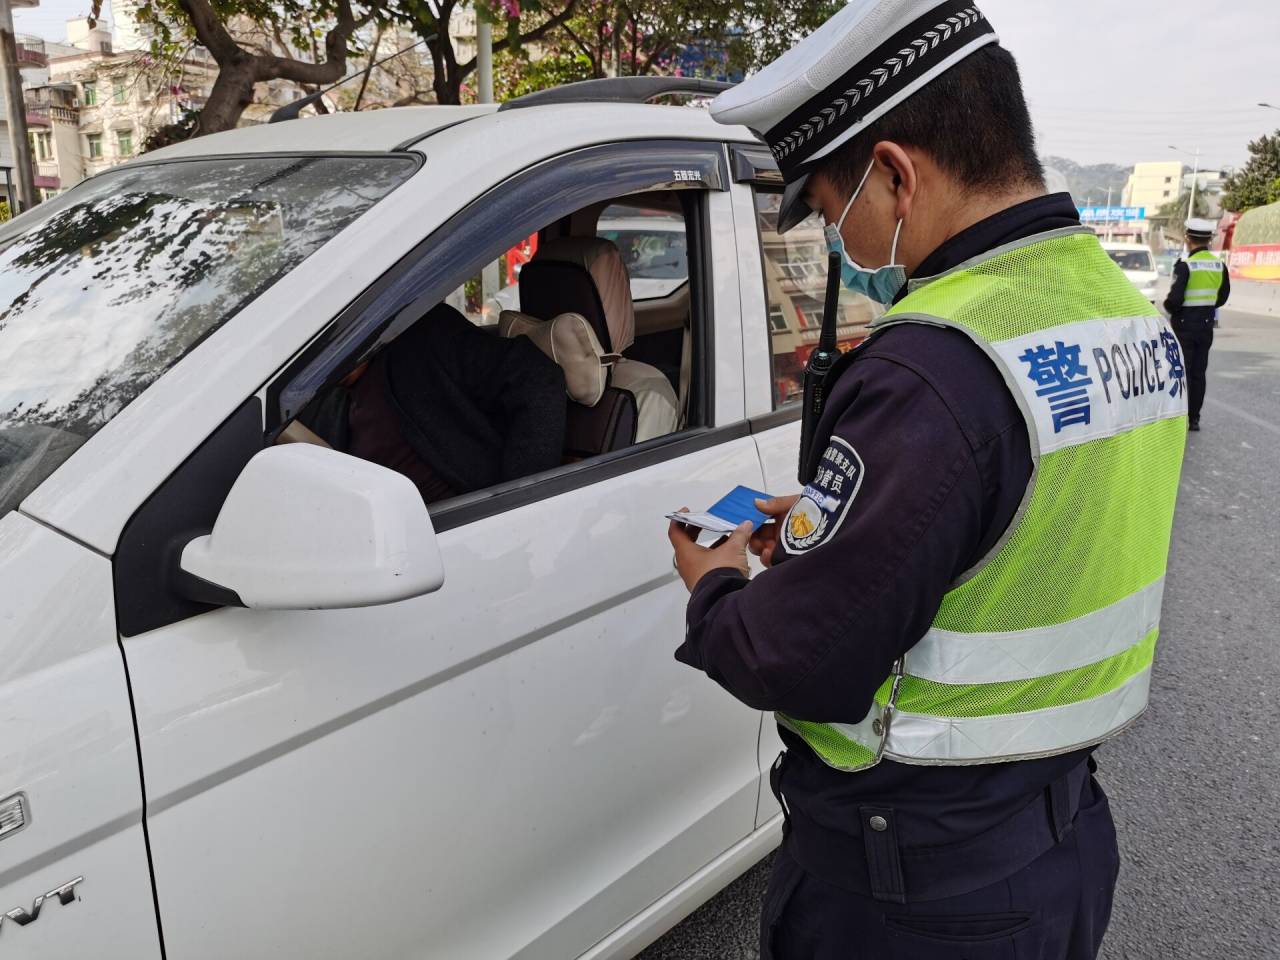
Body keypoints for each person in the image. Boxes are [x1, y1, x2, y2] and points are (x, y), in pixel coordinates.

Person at [666, 3, 1189, 958]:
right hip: (1059, 842)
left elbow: (798, 661)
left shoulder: (932, 367)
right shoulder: (1122, 314)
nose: (838, 245)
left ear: (897, 175)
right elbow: (1023, 515)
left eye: (829, 211)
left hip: (916, 895)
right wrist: (852, 526)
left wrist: (716, 586)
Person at [1164, 217, 1230, 431]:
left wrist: (1169, 308)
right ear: (1209, 240)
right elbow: (1222, 297)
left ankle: (1180, 416)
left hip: (1184, 326)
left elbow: (1174, 299)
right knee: (1199, 372)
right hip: (1205, 326)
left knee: (1183, 371)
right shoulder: (1219, 266)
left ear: (1187, 239)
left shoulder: (1186, 266)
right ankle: (1194, 418)